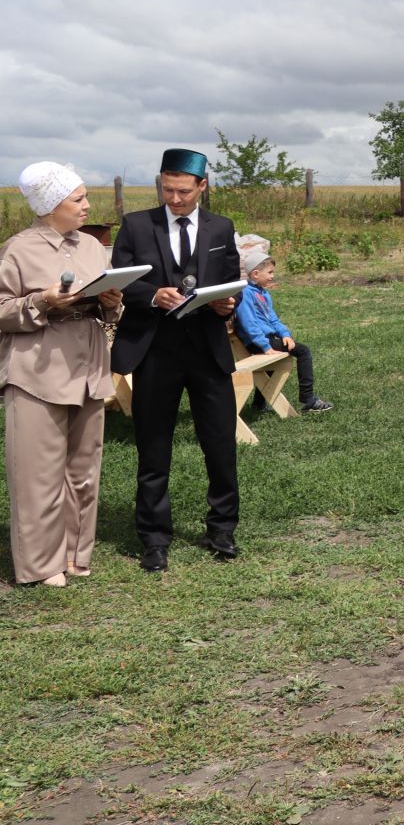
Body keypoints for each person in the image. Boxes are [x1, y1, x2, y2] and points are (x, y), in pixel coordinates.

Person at [110, 147, 244, 572]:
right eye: (167, 190)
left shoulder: (222, 227)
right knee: (153, 448)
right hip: (154, 351)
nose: (175, 199)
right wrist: (151, 294)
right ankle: (153, 538)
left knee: (220, 445)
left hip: (207, 351)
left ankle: (222, 529)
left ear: (202, 186)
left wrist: (228, 304)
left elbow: (231, 281)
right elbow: (118, 281)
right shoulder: (135, 225)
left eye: (183, 191)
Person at [0, 164, 123, 587]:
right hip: (38, 367)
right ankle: (40, 565)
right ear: (51, 205)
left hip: (88, 364)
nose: (88, 205)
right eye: (78, 199)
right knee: (37, 473)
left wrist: (110, 301)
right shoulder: (17, 249)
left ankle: (75, 553)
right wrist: (43, 300)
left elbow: (107, 306)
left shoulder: (91, 246)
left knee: (84, 467)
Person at [234, 247, 332, 413]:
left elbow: (273, 318)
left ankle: (259, 404)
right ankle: (308, 399)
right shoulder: (245, 294)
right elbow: (248, 324)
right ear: (256, 274)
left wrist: (285, 334)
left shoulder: (264, 293)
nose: (273, 276)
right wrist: (265, 346)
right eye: (270, 272)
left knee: (274, 365)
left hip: (269, 339)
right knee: (303, 351)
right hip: (257, 342)